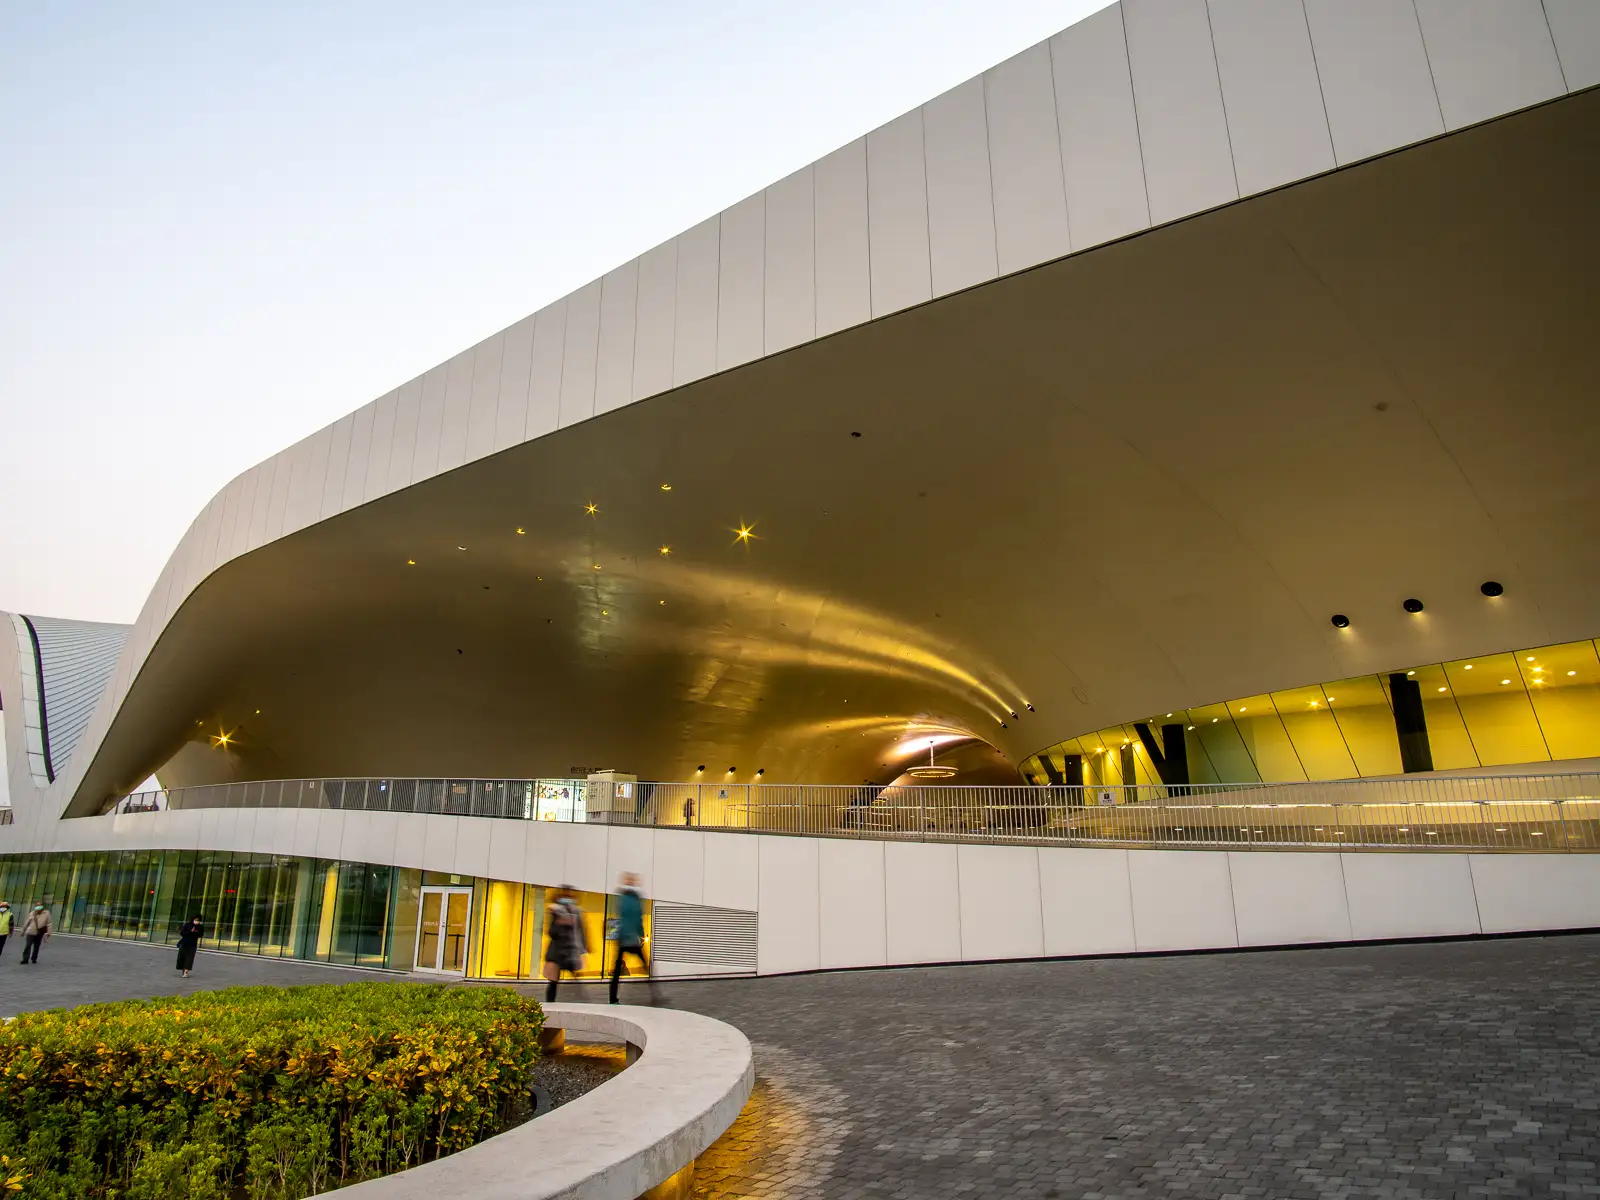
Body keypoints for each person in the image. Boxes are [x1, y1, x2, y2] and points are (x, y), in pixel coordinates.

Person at [608, 872, 661, 1006]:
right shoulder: (634, 899)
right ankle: (654, 994)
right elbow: (637, 919)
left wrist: (640, 934)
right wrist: (641, 935)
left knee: (619, 970)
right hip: (628, 938)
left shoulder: (624, 897)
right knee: (643, 965)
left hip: (625, 938)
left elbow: (632, 918)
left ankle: (613, 998)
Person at [542, 888, 587, 1002]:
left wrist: (583, 949)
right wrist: (560, 922)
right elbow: (551, 932)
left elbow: (580, 931)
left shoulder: (576, 912)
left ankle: (582, 1003)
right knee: (553, 982)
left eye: (570, 896)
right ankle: (549, 1005)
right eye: (565, 895)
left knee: (576, 980)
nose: (568, 898)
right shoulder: (555, 911)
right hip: (557, 952)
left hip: (570, 951)